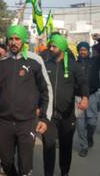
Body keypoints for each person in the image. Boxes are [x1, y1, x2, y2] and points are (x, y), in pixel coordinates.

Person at [0, 25, 50, 176]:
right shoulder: (2, 62)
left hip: (27, 122)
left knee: (25, 166)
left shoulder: (34, 61)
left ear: (23, 40)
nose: (13, 42)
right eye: (11, 39)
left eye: (17, 39)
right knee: (6, 161)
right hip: (5, 122)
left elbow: (45, 91)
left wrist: (44, 117)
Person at [42, 35, 88, 176]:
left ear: (61, 47)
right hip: (49, 115)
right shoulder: (46, 65)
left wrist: (85, 98)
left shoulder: (73, 65)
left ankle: (64, 172)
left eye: (54, 46)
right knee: (48, 147)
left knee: (65, 146)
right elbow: (40, 87)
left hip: (67, 115)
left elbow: (83, 82)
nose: (50, 48)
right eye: (50, 46)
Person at [75, 41, 98, 157]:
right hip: (78, 97)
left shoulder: (95, 61)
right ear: (78, 51)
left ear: (88, 50)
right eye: (81, 50)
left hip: (92, 95)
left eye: (85, 49)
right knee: (80, 124)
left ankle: (90, 137)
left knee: (92, 122)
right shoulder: (74, 63)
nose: (83, 51)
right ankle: (83, 146)